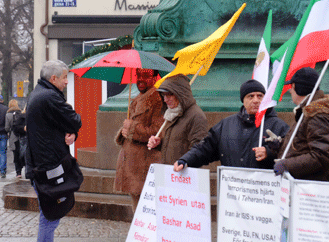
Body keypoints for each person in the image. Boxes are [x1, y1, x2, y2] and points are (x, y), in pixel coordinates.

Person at [26, 60, 82, 242]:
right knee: (49, 217)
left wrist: (69, 133)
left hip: (42, 163)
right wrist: (71, 128)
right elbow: (74, 119)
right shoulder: (50, 97)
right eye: (64, 78)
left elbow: (57, 125)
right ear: (53, 79)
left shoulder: (40, 93)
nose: (67, 82)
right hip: (48, 166)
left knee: (49, 215)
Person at [174, 79, 289, 172]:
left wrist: (269, 152)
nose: (255, 100)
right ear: (243, 100)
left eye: (260, 96)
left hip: (262, 194)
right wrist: (185, 160)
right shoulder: (226, 125)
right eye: (250, 96)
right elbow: (205, 148)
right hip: (232, 194)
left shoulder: (278, 126)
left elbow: (290, 154)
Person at [274, 67, 329, 181]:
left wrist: (287, 165)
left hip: (309, 190)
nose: (290, 91)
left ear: (296, 87)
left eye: (291, 87)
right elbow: (301, 146)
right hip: (302, 186)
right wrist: (278, 145)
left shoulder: (317, 115)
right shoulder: (308, 112)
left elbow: (323, 155)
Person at [114, 69, 165, 211]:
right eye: (139, 75)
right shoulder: (137, 98)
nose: (141, 79)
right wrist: (124, 132)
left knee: (145, 208)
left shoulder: (158, 100)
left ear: (155, 78)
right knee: (137, 205)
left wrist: (131, 128)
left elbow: (157, 132)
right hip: (132, 163)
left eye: (146, 76)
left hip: (144, 164)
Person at [147, 73, 209, 164]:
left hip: (182, 175)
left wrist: (183, 163)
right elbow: (177, 145)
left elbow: (199, 150)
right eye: (163, 95)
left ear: (180, 94)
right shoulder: (172, 113)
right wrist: (159, 144)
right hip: (170, 173)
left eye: (169, 95)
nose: (165, 100)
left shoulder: (196, 116)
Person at [5, 99, 23, 177]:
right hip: (22, 136)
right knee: (23, 152)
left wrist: (9, 131)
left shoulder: (8, 115)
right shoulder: (21, 113)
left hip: (13, 136)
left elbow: (6, 128)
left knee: (15, 154)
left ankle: (18, 172)